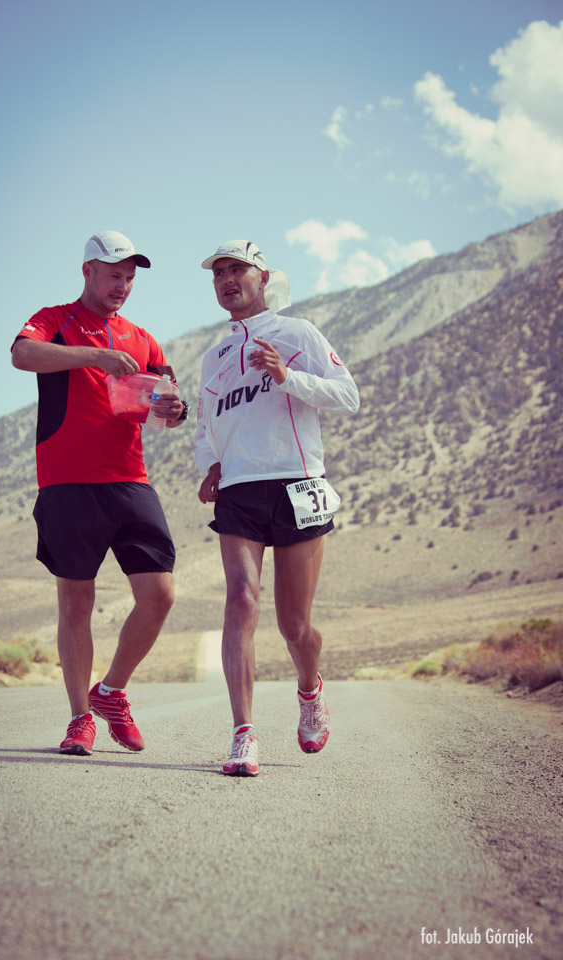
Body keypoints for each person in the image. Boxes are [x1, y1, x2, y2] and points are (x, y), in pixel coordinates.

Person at [11, 230, 189, 757]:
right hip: (66, 482)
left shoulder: (143, 338)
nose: (123, 285)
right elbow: (22, 355)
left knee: (159, 594)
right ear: (88, 271)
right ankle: (79, 719)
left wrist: (172, 411)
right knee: (76, 602)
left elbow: (166, 403)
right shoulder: (54, 319)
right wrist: (93, 355)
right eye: (115, 274)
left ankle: (110, 691)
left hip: (130, 479)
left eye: (130, 277)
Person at [195, 239, 360, 777]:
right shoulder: (213, 356)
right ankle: (243, 734)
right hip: (239, 489)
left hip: (298, 484)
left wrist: (291, 378)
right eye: (218, 272)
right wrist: (210, 464)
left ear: (262, 278)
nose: (226, 279)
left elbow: (347, 395)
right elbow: (204, 424)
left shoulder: (299, 333)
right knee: (241, 599)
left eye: (236, 269)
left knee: (294, 625)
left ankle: (309, 689)